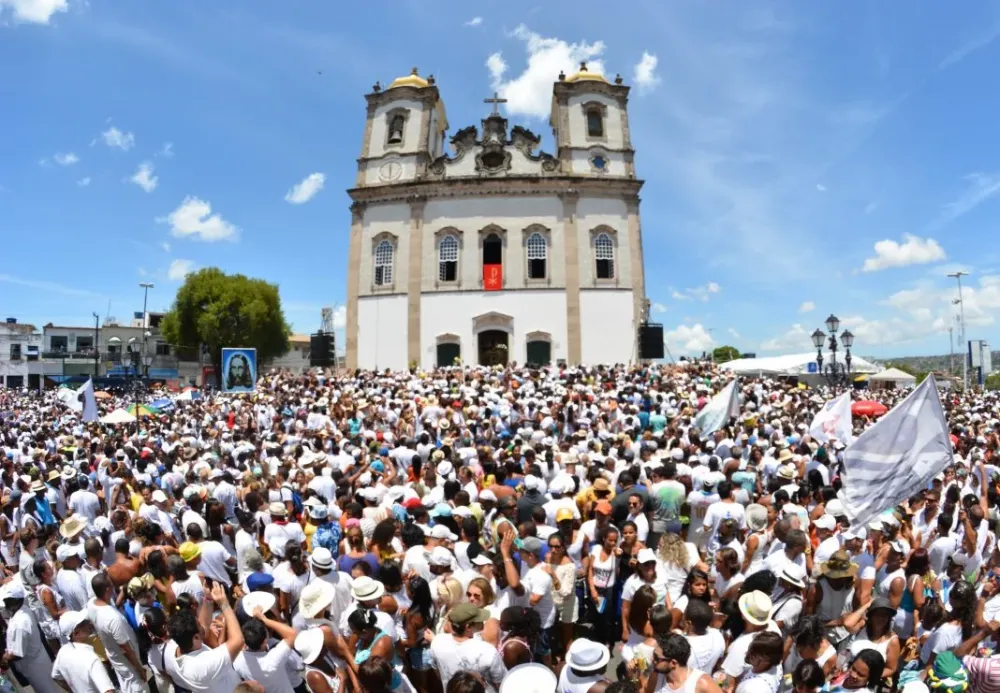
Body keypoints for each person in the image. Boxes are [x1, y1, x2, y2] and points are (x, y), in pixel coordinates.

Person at [165, 582, 245, 693]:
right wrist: (224, 604)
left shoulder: (178, 645)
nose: (203, 627)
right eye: (199, 626)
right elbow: (238, 640)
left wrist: (208, 599)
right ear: (196, 637)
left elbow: (204, 625)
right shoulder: (204, 664)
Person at [89, 572, 149, 693]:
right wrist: (139, 669)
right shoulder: (112, 618)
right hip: (129, 666)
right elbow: (125, 648)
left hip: (116, 658)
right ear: (107, 589)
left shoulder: (91, 604)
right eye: (111, 584)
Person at [428, 603, 507, 692]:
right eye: (479, 620)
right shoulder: (487, 651)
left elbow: (438, 673)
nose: (483, 622)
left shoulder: (437, 641)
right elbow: (502, 684)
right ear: (468, 626)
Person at [233, 607, 299, 692]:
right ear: (265, 641)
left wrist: (253, 623)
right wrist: (264, 619)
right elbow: (292, 634)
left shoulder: (237, 661)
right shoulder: (273, 660)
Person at [52, 610, 116, 693]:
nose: (88, 623)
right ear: (77, 633)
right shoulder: (92, 659)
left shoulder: (62, 652)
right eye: (84, 622)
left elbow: (56, 676)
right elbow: (108, 691)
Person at [638, 632, 722, 693]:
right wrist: (635, 674)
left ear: (673, 663)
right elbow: (645, 691)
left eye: (657, 658)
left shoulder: (701, 683)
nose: (653, 660)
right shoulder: (656, 676)